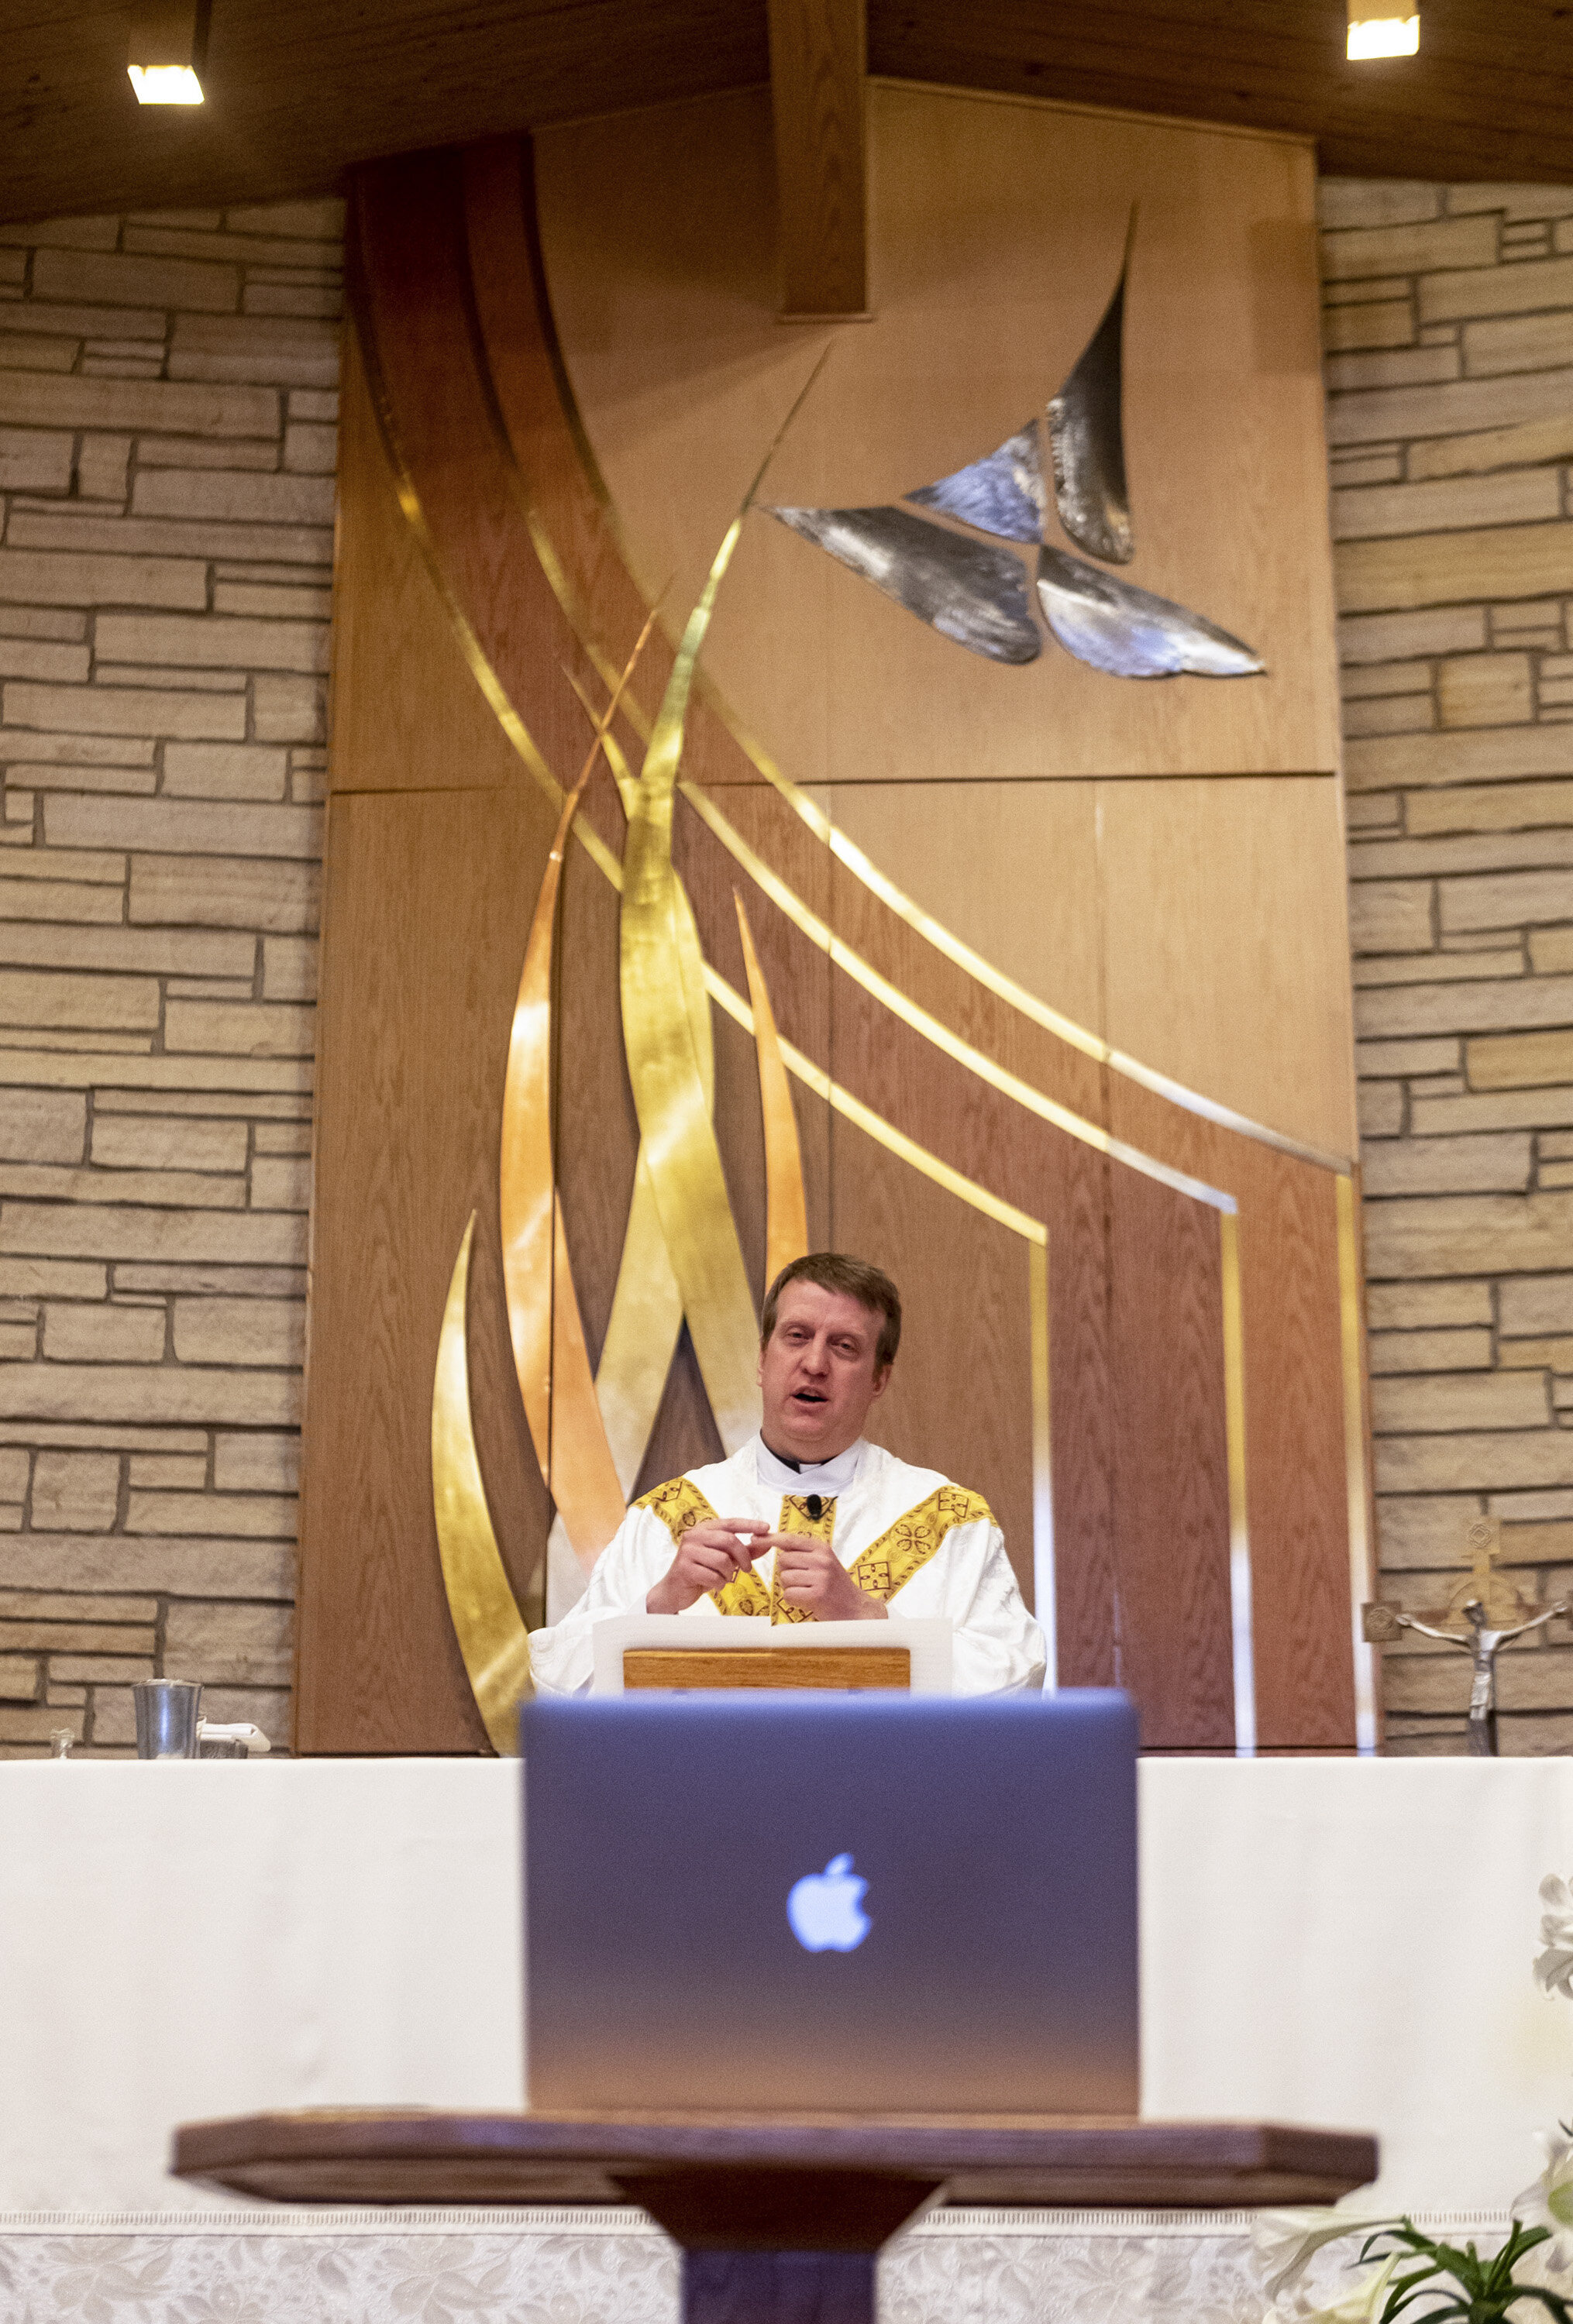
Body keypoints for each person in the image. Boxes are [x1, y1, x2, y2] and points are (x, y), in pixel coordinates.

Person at [528, 1252, 1047, 1695]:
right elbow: (558, 1681)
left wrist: (865, 1618)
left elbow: (1019, 1679)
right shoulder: (667, 1517)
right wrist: (660, 1604)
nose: (815, 1363)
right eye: (796, 1336)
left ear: (879, 1379)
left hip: (886, 1803)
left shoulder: (950, 1521)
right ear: (761, 1359)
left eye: (845, 1347)